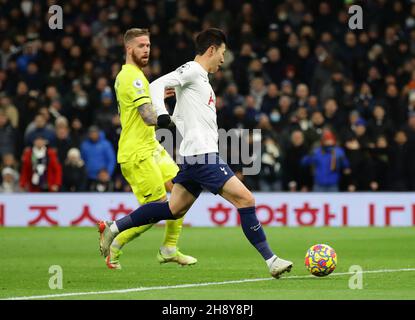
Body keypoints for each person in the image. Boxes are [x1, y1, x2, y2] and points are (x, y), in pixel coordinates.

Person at [98, 28, 293, 278]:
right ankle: (271, 260)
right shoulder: (191, 70)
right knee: (246, 200)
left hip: (193, 157)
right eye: (222, 53)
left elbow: (182, 116)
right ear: (211, 50)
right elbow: (157, 84)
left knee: (173, 209)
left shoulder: (201, 80)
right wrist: (161, 114)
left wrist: (173, 115)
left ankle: (114, 227)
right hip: (203, 156)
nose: (223, 59)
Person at [105, 28, 197, 270]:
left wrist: (157, 98)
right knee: (156, 208)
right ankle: (114, 241)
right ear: (128, 49)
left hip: (151, 147)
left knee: (183, 191)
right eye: (141, 46)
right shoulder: (131, 77)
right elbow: (147, 116)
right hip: (136, 152)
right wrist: (172, 118)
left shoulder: (137, 77)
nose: (146, 50)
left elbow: (144, 107)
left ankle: (169, 248)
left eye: (148, 45)